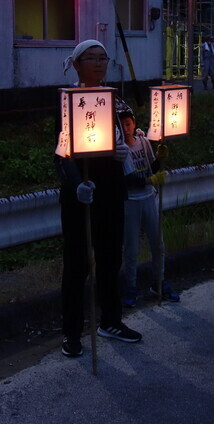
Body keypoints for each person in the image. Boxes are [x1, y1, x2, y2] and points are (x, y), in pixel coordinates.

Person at [55, 40, 142, 358]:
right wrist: (77, 184)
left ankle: (111, 320)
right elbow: (62, 152)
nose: (98, 62)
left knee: (110, 259)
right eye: (90, 58)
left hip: (112, 191)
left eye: (102, 57)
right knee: (77, 264)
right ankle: (72, 332)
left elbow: (132, 136)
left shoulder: (116, 101)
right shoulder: (68, 101)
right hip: (81, 195)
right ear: (75, 64)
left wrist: (126, 152)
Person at [118, 109, 179, 306]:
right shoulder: (119, 149)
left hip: (149, 199)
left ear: (134, 123)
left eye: (128, 124)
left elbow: (150, 166)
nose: (125, 129)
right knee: (131, 249)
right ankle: (131, 287)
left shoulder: (143, 142)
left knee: (158, 243)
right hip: (131, 202)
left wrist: (159, 159)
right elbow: (127, 179)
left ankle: (159, 283)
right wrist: (150, 180)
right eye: (121, 125)